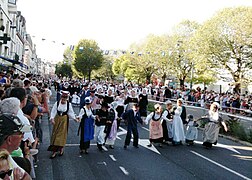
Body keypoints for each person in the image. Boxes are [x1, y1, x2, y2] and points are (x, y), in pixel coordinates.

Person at [0, 114, 32, 180]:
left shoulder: (6, 155)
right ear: (9, 139)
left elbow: (27, 177)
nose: (23, 136)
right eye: (20, 133)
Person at [48, 91, 77, 159]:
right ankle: (54, 151)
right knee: (55, 134)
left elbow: (71, 112)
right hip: (57, 119)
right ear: (61, 98)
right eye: (63, 98)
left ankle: (61, 149)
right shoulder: (57, 103)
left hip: (64, 120)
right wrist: (52, 118)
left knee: (62, 135)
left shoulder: (68, 105)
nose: (63, 100)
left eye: (65, 99)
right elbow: (53, 111)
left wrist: (75, 118)